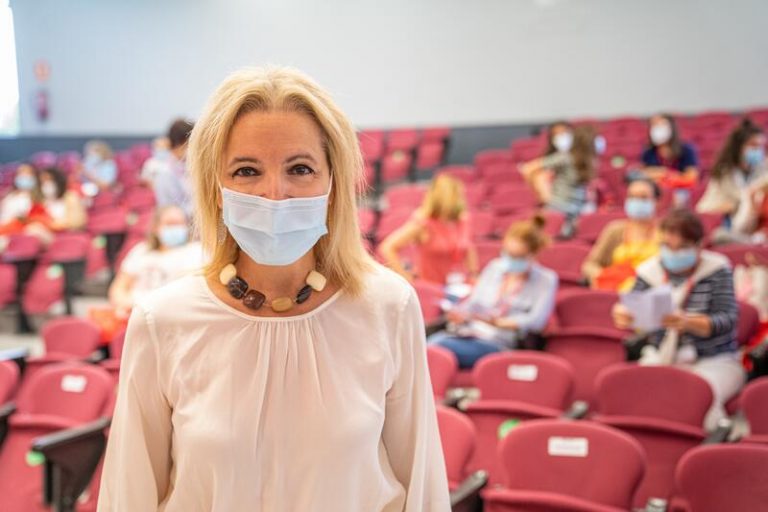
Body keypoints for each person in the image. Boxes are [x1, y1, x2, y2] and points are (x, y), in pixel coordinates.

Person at [98, 66, 449, 511]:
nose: (275, 194)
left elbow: (421, 485)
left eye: (300, 168)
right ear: (217, 188)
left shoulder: (388, 307)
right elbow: (129, 494)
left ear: (332, 183)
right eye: (247, 171)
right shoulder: (162, 320)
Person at [612, 209, 744, 430]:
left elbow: (728, 319)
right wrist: (623, 314)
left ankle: (713, 442)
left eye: (681, 247)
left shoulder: (718, 269)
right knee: (634, 394)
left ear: (698, 245)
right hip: (662, 355)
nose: (673, 253)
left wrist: (689, 322)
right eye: (667, 246)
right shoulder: (650, 271)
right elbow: (631, 308)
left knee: (698, 398)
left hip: (714, 360)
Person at [427, 215, 558, 369]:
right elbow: (473, 303)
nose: (511, 259)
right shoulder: (495, 267)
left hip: (501, 343)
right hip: (470, 332)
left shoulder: (546, 280)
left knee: (434, 348)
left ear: (533, 255)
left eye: (518, 256)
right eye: (508, 253)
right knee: (426, 342)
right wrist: (459, 313)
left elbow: (536, 321)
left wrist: (500, 323)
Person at [378, 173, 478, 285]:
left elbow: (468, 247)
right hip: (430, 286)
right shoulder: (423, 223)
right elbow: (387, 247)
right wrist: (406, 277)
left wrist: (473, 274)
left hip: (458, 286)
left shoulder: (462, 220)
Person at [108, 205, 202, 316]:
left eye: (180, 224)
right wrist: (126, 304)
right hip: (134, 311)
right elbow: (118, 287)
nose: (175, 228)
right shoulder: (140, 251)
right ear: (156, 228)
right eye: (170, 224)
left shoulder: (196, 252)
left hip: (170, 314)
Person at [582, 177, 661, 291]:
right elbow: (589, 265)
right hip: (615, 292)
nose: (637, 202)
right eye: (632, 197)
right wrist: (609, 276)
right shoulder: (615, 230)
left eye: (643, 197)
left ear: (656, 202)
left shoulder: (664, 232)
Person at [696, 118, 768, 243]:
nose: (758, 150)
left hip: (751, 225)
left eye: (760, 146)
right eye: (753, 145)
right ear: (739, 147)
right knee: (719, 236)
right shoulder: (723, 173)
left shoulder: (762, 169)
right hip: (726, 225)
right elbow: (705, 208)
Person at [520, 125, 597, 220]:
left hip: (578, 208)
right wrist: (541, 195)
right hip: (559, 207)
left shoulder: (590, 161)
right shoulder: (565, 157)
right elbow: (528, 168)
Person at [152, 119, 195, 216]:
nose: (190, 149)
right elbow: (172, 207)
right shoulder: (165, 172)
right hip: (177, 219)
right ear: (177, 145)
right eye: (187, 145)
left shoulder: (188, 166)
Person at [640, 114, 699, 183]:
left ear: (671, 128)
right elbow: (643, 173)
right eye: (654, 125)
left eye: (661, 125)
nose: (657, 129)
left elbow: (692, 176)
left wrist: (667, 174)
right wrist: (659, 173)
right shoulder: (648, 152)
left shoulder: (686, 149)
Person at [38, 167, 87, 232]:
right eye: (43, 182)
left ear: (58, 181)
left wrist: (54, 225)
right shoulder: (43, 201)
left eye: (49, 180)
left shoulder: (71, 197)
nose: (46, 184)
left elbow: (77, 222)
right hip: (50, 232)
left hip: (69, 233)